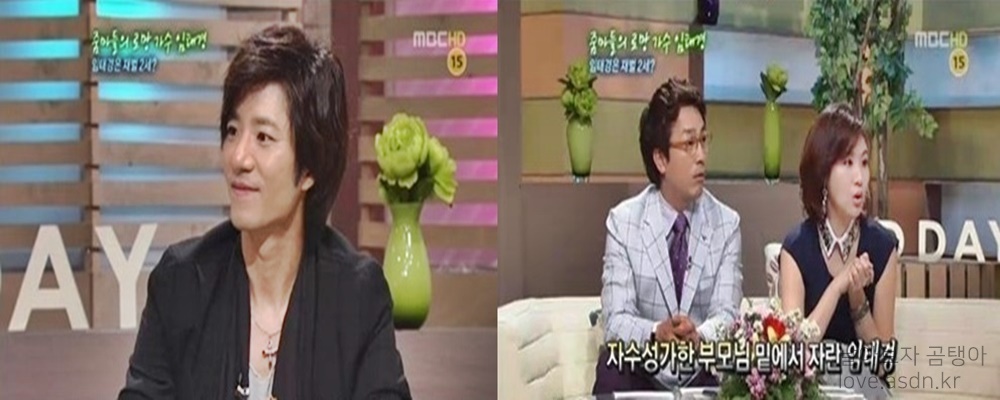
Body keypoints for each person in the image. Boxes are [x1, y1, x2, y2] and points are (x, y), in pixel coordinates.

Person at [119, 25, 412, 400]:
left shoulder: (355, 297)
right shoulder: (182, 284)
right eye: (232, 131)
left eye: (263, 137)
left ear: (309, 168)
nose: (239, 157)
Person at [593, 78, 743, 393]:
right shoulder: (623, 223)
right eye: (689, 144)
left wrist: (699, 336)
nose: (701, 155)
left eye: (704, 140)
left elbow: (727, 315)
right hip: (644, 368)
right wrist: (655, 332)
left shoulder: (726, 225)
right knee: (611, 364)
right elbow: (616, 320)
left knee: (738, 370)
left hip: (701, 368)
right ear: (660, 158)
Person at [778, 103, 898, 399]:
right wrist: (837, 286)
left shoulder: (883, 247)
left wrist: (858, 301)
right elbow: (793, 356)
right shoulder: (796, 249)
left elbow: (883, 366)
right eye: (847, 162)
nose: (860, 177)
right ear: (823, 172)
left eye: (864, 162)